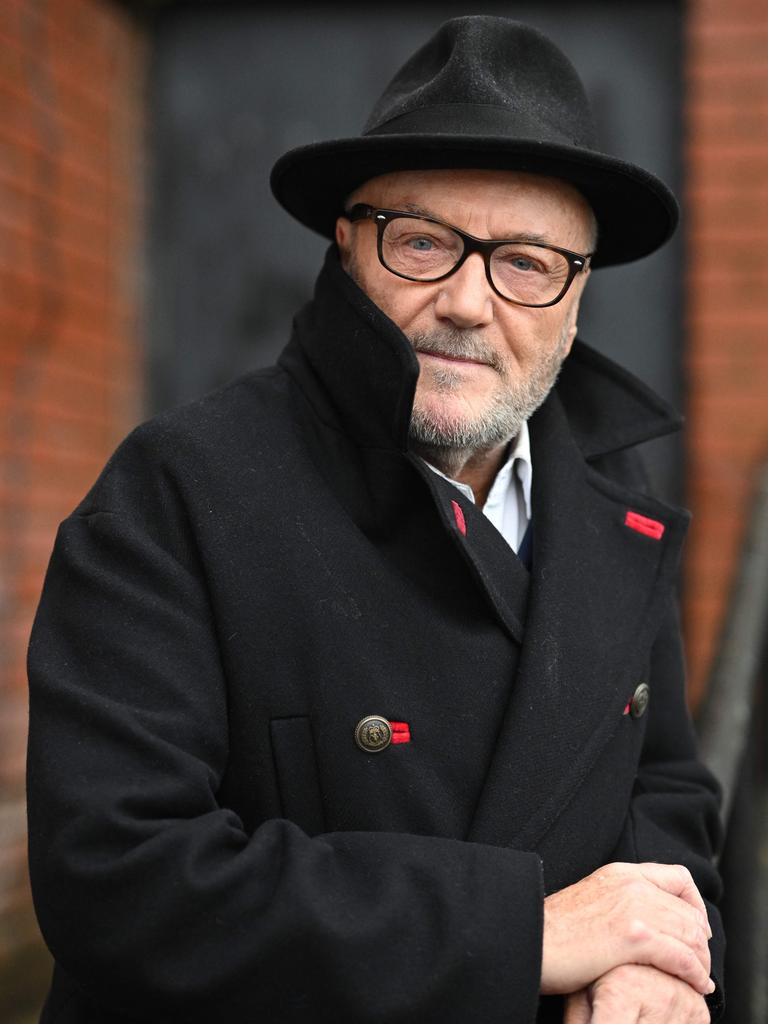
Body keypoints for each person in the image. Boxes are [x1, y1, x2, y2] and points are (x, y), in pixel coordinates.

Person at [26, 15, 724, 1024]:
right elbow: (118, 874)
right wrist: (520, 931)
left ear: (577, 298)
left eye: (527, 262)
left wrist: (647, 960)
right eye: (427, 243)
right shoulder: (177, 489)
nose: (470, 303)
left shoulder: (624, 511)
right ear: (348, 245)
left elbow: (668, 789)